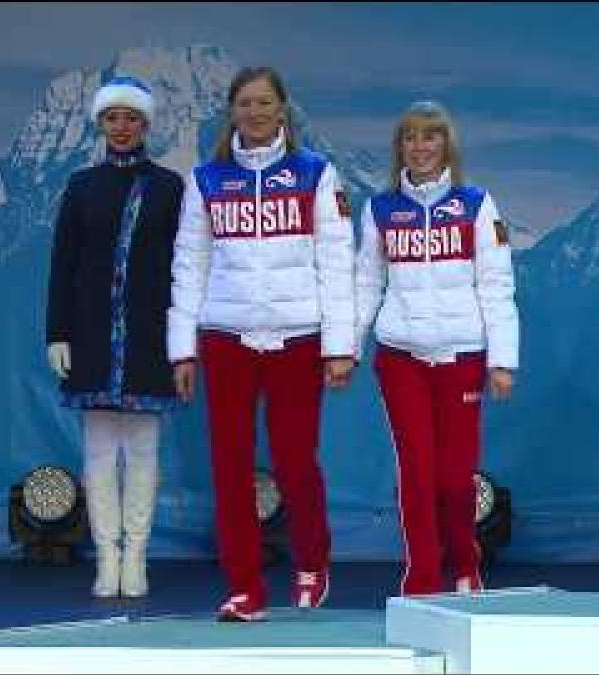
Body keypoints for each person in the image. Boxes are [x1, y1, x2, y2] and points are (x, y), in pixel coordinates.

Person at [167, 66, 356, 621]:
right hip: (226, 338)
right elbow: (190, 265)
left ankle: (312, 562)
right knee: (229, 466)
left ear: (282, 109)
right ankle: (245, 588)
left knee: (295, 460)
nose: (254, 112)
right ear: (232, 112)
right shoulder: (206, 180)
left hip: (298, 338)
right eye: (244, 103)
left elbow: (336, 263)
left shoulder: (315, 174)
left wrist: (339, 347)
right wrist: (183, 349)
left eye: (264, 102)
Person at [354, 100, 519, 597]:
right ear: (399, 147)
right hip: (400, 358)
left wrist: (502, 359)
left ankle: (466, 563)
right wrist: (346, 348)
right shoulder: (381, 209)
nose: (420, 146)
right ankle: (422, 573)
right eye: (409, 137)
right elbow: (365, 282)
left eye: (430, 136)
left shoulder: (475, 204)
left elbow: (496, 285)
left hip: (462, 359)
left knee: (453, 478)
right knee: (417, 473)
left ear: (447, 144)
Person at [45, 76, 184, 598]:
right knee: (100, 451)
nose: (121, 127)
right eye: (112, 118)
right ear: (100, 125)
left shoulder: (170, 187)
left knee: (144, 450)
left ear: (146, 125)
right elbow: (63, 263)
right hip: (92, 334)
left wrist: (181, 338)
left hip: (149, 335)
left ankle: (137, 556)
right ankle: (106, 556)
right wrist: (58, 331)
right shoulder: (81, 186)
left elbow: (183, 267)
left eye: (131, 118)